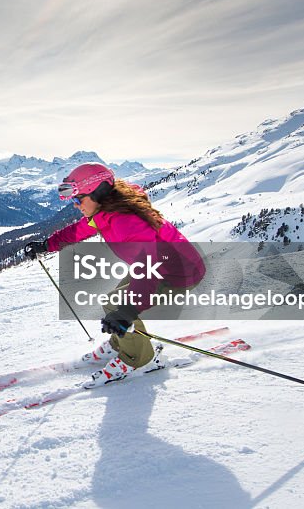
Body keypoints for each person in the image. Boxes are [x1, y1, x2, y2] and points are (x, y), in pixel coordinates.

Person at [23, 162, 206, 387]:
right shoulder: (106, 211)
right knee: (116, 303)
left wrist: (128, 311)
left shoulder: (127, 222)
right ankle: (122, 343)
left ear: (98, 192)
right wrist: (47, 245)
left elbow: (148, 269)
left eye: (79, 199)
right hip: (158, 266)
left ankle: (140, 359)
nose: (76, 204)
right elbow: (79, 230)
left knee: (118, 305)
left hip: (178, 273)